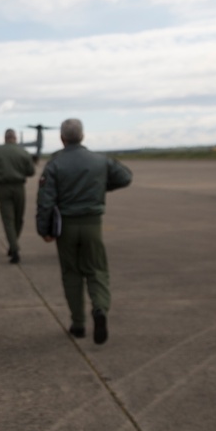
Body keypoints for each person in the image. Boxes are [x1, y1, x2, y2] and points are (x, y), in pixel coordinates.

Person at [36, 119, 132, 344]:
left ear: (62, 138)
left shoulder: (55, 164)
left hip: (66, 226)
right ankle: (99, 309)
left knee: (72, 273)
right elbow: (125, 176)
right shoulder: (100, 160)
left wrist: (44, 229)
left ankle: (78, 323)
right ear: (83, 136)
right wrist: (100, 186)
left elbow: (45, 200)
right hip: (92, 224)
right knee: (97, 270)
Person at [0, 128, 36, 263]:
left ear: (5, 138)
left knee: (8, 219)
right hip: (19, 187)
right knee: (18, 218)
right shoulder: (23, 152)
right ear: (15, 138)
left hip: (2, 188)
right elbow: (31, 171)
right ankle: (14, 246)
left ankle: (13, 245)